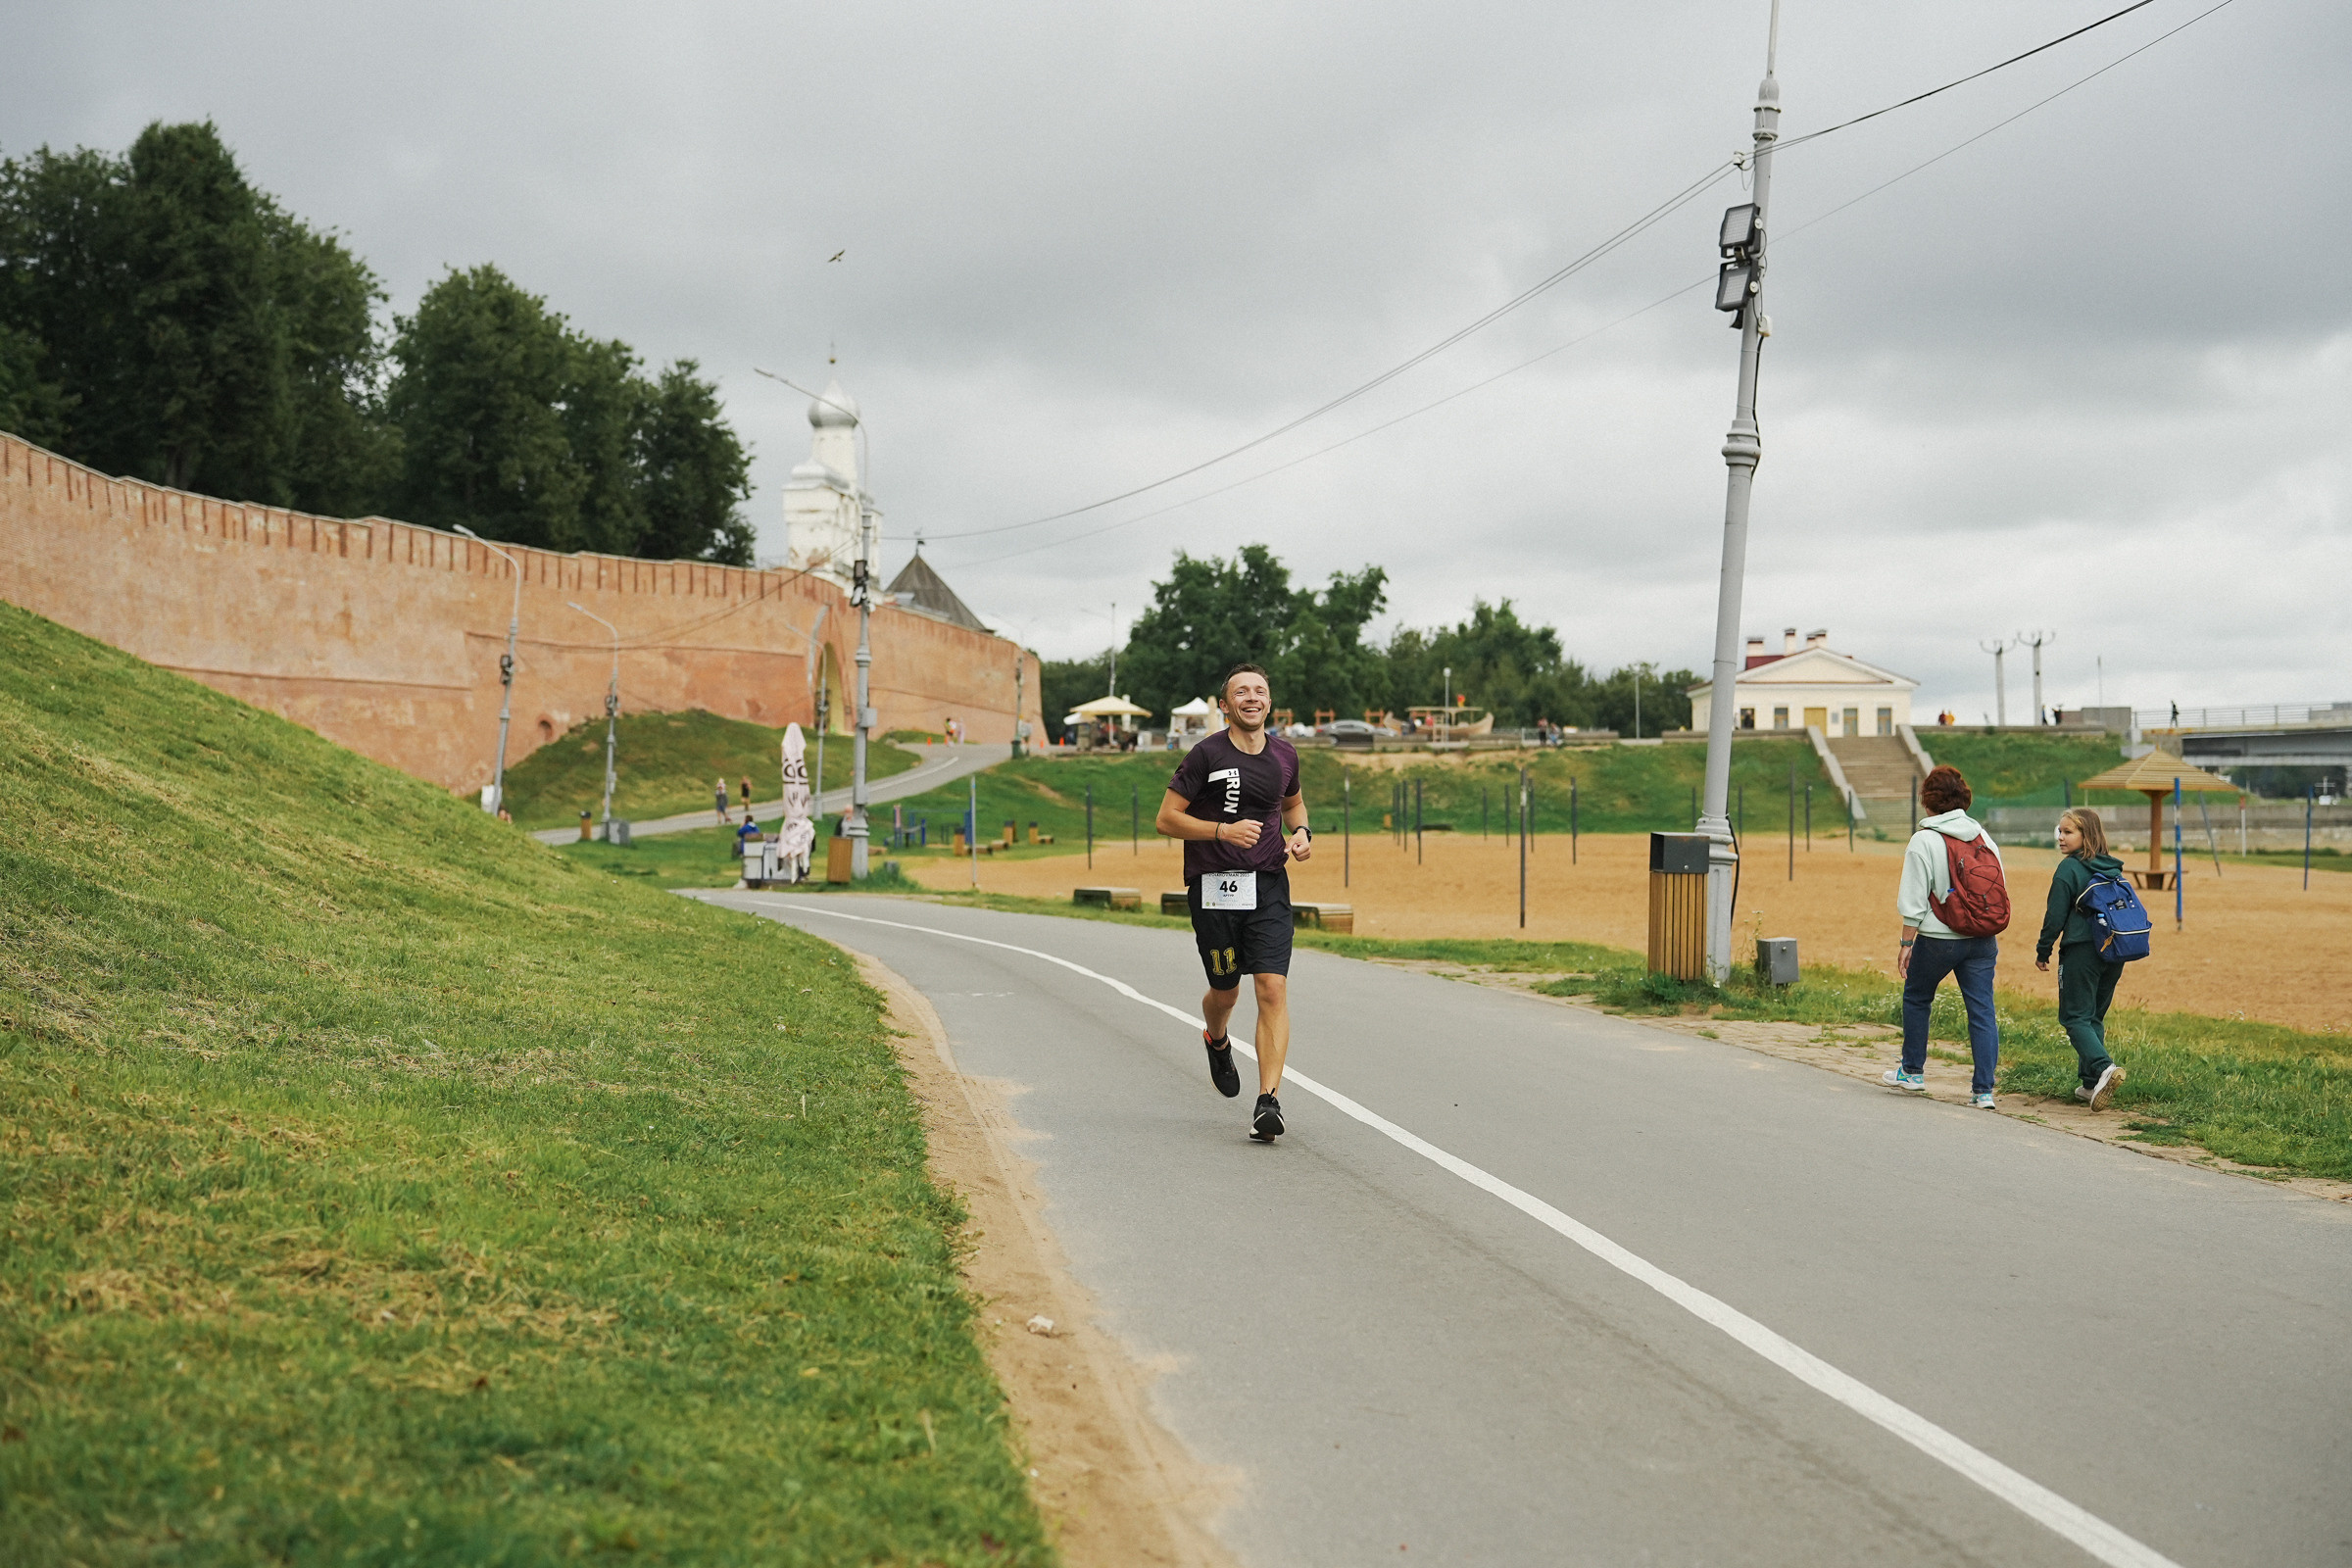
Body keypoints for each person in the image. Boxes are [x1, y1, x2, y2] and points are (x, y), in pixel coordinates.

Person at [1154, 662, 1312, 1143]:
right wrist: (1221, 830)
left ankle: (1268, 1101)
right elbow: (1166, 819)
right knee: (1225, 990)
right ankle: (1217, 1039)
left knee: (1271, 988)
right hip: (1213, 885)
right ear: (1225, 705)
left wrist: (1302, 833)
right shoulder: (1205, 755)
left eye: (1259, 690)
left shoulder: (1285, 755)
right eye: (1240, 691)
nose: (1251, 697)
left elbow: (1292, 805)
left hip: (1267, 883)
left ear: (1269, 702)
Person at [1886, 764, 2006, 1107]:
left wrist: (1907, 943)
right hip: (1982, 939)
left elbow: (1913, 901)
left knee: (1918, 997)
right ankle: (1984, 1092)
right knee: (1982, 1009)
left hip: (1938, 938)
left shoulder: (1923, 840)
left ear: (1928, 802)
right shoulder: (1984, 838)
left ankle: (1912, 1072)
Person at [2036, 808, 2129, 1109]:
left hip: (2082, 951)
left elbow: (2055, 915)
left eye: (2068, 832)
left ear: (2086, 835)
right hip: (2115, 951)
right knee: (2092, 1018)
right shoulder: (2112, 868)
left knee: (2074, 1017)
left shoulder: (2069, 869)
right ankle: (2091, 1086)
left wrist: (2043, 950)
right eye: (2059, 831)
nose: (2060, 838)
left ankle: (2105, 1068)